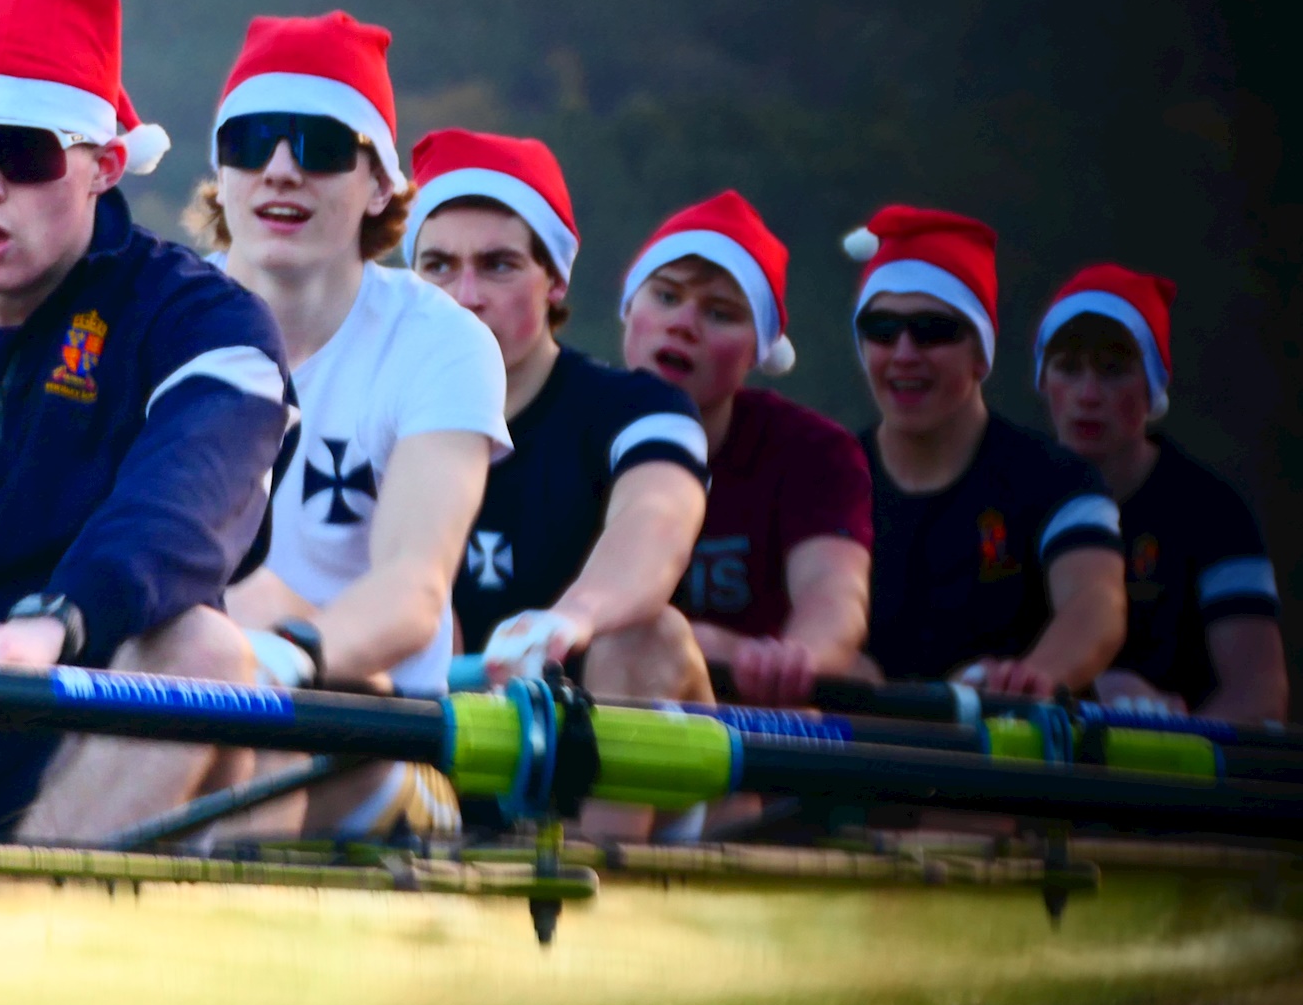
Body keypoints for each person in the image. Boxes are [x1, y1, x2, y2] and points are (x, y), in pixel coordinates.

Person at [0, 0, 290, 838]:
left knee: (204, 649)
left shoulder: (203, 322)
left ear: (105, 166)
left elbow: (184, 508)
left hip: (80, 712)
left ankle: (30, 925)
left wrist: (48, 628)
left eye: (22, 153)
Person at [202, 14, 509, 839]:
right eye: (252, 141)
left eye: (320, 145)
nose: (280, 171)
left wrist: (286, 657)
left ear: (380, 185)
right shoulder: (159, 316)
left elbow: (413, 590)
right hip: (182, 681)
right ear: (221, 172)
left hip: (376, 725)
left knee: (259, 700)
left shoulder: (442, 343)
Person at [406, 130, 711, 702]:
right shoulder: (376, 412)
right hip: (444, 734)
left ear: (556, 281)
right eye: (439, 265)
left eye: (498, 266)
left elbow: (657, 520)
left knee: (646, 634)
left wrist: (569, 622)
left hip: (605, 710)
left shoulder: (637, 407)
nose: (465, 296)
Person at [847, 206, 1124, 695]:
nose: (905, 353)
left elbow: (1095, 605)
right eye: (882, 330)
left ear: (981, 353)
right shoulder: (829, 474)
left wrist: (1036, 677)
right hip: (861, 754)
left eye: (934, 330)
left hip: (1006, 756)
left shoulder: (1058, 479)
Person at [616, 191, 873, 705]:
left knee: (864, 674)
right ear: (628, 311)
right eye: (665, 297)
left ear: (758, 349)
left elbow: (834, 595)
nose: (683, 324)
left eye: (719, 313)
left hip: (757, 726)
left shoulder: (813, 451)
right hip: (595, 704)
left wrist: (797, 657)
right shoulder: (569, 422)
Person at [1032, 266, 1285, 722]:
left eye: (1113, 371)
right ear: (1043, 382)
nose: (1087, 394)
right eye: (1068, 368)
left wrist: (1170, 737)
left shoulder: (1213, 511)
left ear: (1153, 388)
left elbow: (1262, 693)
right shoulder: (1012, 495)